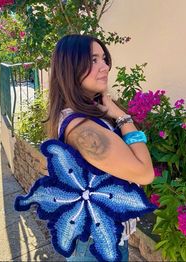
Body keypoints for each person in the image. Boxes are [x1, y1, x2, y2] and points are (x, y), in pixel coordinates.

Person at [46, 34, 155, 261]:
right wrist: (123, 118)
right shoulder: (83, 130)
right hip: (96, 248)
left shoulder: (82, 114)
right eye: (93, 60)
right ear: (70, 67)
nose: (105, 66)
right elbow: (145, 173)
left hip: (98, 241)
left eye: (104, 59)